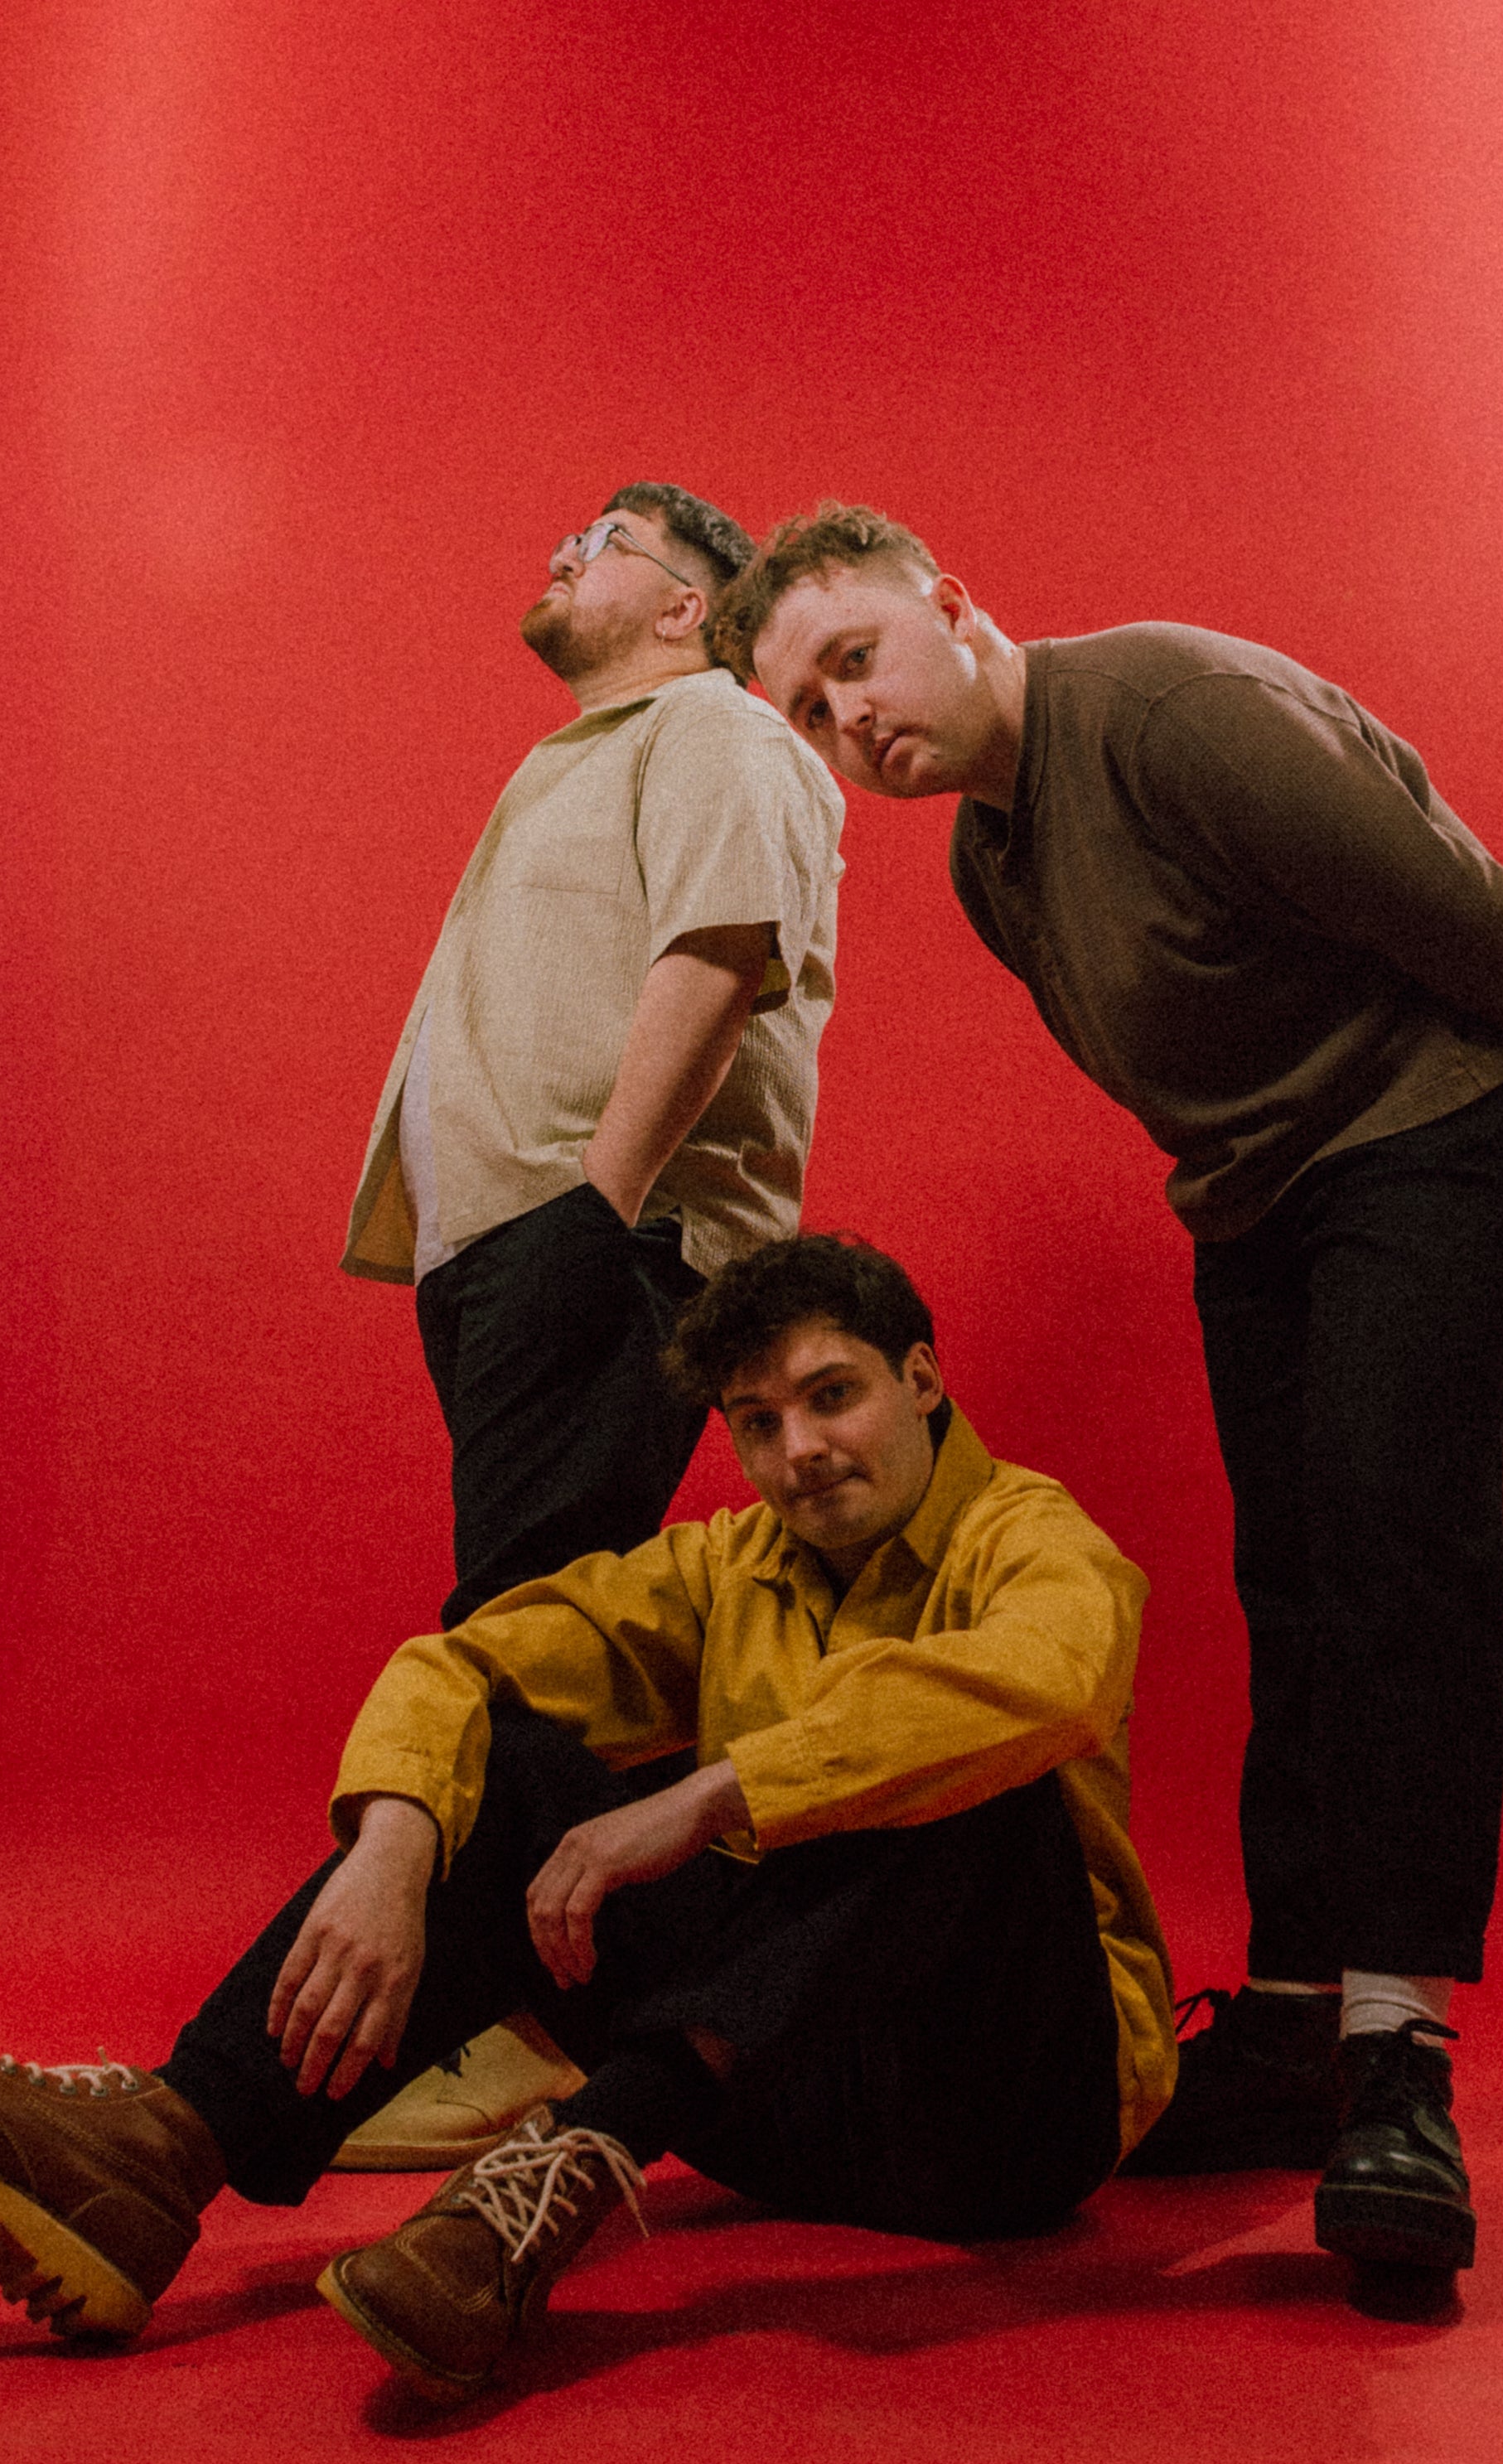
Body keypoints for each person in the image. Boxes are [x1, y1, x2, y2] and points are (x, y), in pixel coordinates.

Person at [721, 506, 1503, 2278]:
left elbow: (1436, 885)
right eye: (809, 709)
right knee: (1291, 1579)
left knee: (1392, 1549)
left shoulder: (1169, 715)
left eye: (855, 659)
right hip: (1264, 1198)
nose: (851, 719)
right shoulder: (989, 866)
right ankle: (1301, 2021)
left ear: (953, 603)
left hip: (1435, 1127)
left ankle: (1399, 2062)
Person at [0, 1239, 1176, 2410]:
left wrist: (711, 1793)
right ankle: (159, 2154)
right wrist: (393, 1847)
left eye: (832, 1397)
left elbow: (1049, 1681)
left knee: (962, 1779)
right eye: (758, 1423)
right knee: (499, 1761)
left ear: (920, 1380)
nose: (799, 1453)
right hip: (780, 2104)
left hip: (1002, 2125)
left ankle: (558, 2173)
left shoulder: (1031, 1536)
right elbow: (468, 1666)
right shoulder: (730, 1564)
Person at [336, 483, 843, 2173]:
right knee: (543, 1637)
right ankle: (624, 2023)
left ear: (690, 606)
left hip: (599, 1242)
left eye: (605, 538)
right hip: (517, 1251)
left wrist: (592, 1211)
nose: (562, 550)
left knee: (518, 1638)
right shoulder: (589, 753)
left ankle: (508, 2029)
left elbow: (720, 954)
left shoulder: (718, 729)